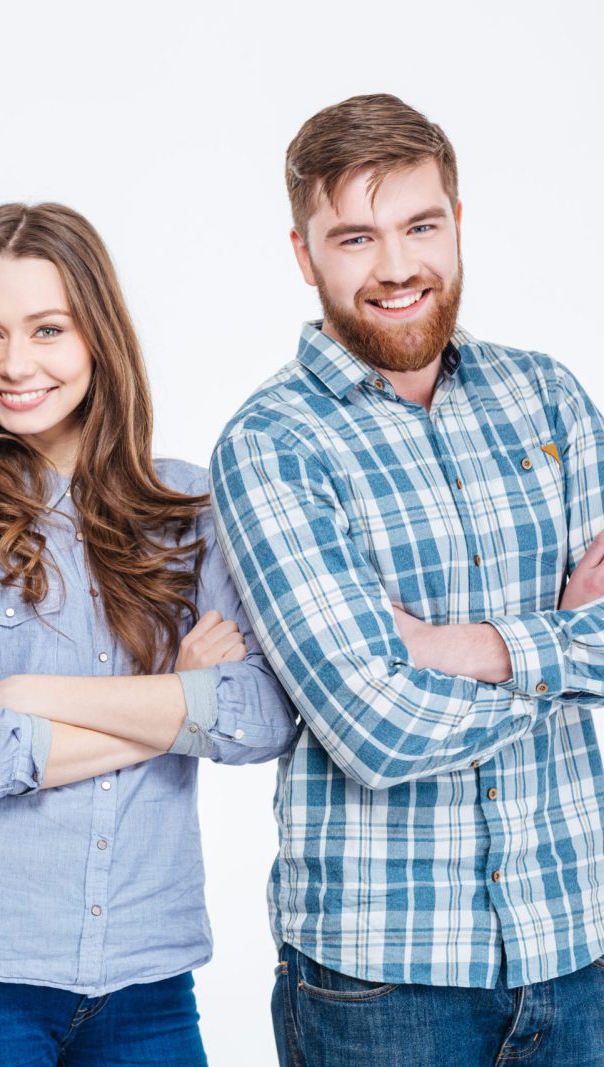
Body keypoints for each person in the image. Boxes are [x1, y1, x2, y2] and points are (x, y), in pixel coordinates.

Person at [210, 93, 604, 1066]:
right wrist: (561, 647)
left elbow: (399, 679)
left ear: (456, 225)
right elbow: (369, 726)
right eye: (353, 237)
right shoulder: (269, 444)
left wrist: (448, 647)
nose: (394, 267)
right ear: (302, 255)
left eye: (418, 225)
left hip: (580, 946)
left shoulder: (547, 394)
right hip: (384, 981)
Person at [0, 202, 296, 1066]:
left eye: (47, 329)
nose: (15, 363)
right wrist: (176, 705)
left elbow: (260, 718)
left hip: (148, 976)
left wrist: (30, 696)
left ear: (97, 338)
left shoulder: (193, 510)